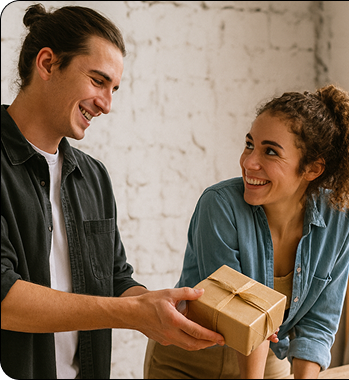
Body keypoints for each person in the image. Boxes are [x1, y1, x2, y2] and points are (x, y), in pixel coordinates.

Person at [0, 4, 226, 379]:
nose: (106, 104)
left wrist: (164, 309)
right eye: (97, 81)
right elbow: (5, 298)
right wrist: (134, 315)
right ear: (47, 63)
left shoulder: (93, 176)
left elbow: (115, 278)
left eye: (114, 88)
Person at [144, 84, 349, 379]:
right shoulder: (218, 206)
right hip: (188, 361)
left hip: (267, 360)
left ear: (311, 169)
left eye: (270, 151)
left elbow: (319, 322)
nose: (248, 162)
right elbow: (243, 317)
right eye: (249, 144)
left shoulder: (340, 217)